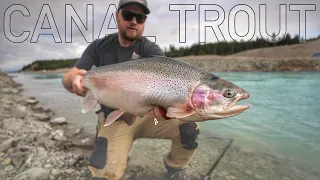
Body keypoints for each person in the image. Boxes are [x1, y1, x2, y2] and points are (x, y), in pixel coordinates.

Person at [62, 0, 200, 179]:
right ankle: (117, 148)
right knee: (105, 174)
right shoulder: (98, 47)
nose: (134, 21)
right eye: (128, 15)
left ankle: (175, 169)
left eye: (140, 17)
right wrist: (75, 79)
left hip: (150, 118)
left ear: (143, 21)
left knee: (189, 129)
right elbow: (69, 76)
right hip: (114, 119)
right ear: (117, 16)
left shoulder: (151, 50)